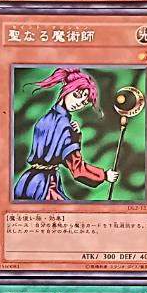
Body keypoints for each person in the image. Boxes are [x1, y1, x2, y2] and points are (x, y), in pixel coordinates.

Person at [13, 68, 118, 201]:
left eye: (84, 102)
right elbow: (77, 170)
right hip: (45, 187)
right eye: (77, 94)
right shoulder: (64, 125)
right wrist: (104, 175)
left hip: (27, 182)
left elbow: (56, 150)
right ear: (67, 88)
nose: (79, 103)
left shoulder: (47, 118)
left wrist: (75, 137)